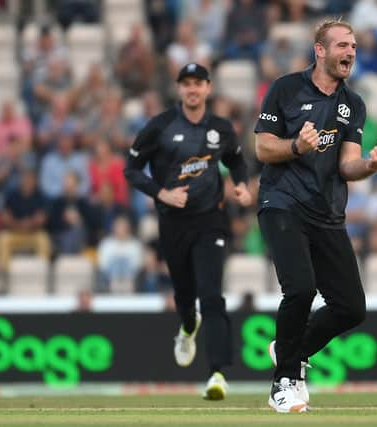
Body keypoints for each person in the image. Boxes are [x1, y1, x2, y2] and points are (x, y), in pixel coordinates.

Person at [254, 19, 377, 413]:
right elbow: (263, 149)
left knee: (351, 307)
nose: (350, 52)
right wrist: (297, 145)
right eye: (342, 45)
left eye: (353, 46)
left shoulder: (354, 104)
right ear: (320, 50)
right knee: (300, 289)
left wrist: (371, 166)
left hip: (327, 212)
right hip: (282, 203)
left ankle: (287, 350)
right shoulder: (285, 89)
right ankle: (283, 383)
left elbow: (347, 165)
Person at [124, 63, 252, 400]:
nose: (192, 89)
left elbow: (237, 160)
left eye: (198, 83)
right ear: (179, 89)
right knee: (185, 296)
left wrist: (240, 185)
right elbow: (132, 170)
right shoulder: (160, 127)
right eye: (186, 84)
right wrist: (162, 193)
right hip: (173, 223)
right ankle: (187, 326)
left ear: (208, 88)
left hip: (211, 220)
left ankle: (217, 374)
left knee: (212, 296)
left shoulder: (222, 128)